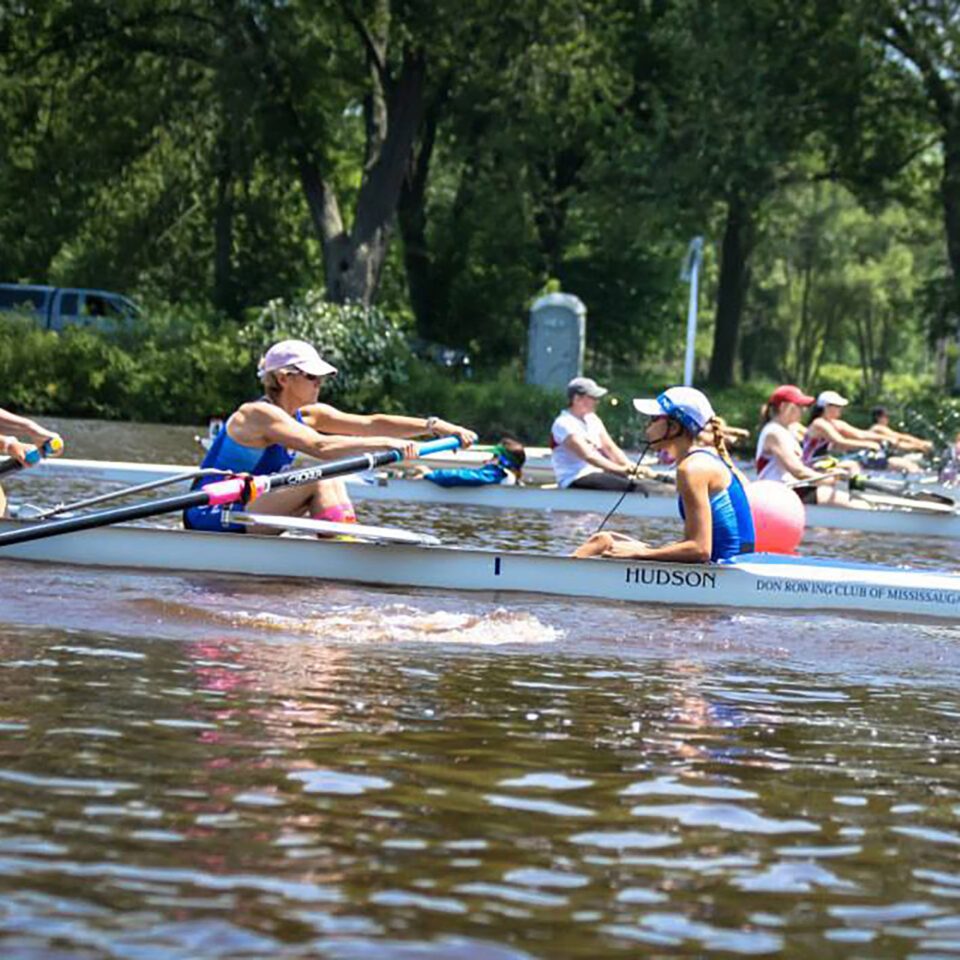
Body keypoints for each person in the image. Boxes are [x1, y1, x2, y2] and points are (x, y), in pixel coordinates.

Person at [183, 339, 476, 534]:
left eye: (321, 377)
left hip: (246, 507)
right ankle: (345, 553)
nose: (319, 383)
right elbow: (320, 445)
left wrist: (435, 425)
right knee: (322, 478)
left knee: (329, 478)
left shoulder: (307, 414)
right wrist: (389, 445)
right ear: (283, 378)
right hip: (210, 512)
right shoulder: (257, 414)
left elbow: (371, 423)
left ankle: (343, 543)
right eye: (312, 377)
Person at [574, 386, 754, 563]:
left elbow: (700, 550)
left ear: (673, 428)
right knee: (603, 540)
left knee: (607, 545)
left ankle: (562, 575)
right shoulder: (700, 460)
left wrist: (641, 553)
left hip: (725, 570)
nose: (648, 425)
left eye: (654, 419)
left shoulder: (692, 469)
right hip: (721, 565)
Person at [756, 385, 866, 508]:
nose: (803, 410)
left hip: (793, 488)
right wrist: (829, 478)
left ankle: (858, 497)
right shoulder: (774, 433)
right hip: (778, 494)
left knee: (856, 492)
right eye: (799, 406)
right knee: (859, 505)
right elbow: (799, 472)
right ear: (783, 407)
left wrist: (828, 473)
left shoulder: (787, 430)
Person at [550, 376, 656, 491]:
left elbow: (610, 448)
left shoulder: (592, 419)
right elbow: (589, 456)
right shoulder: (564, 423)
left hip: (597, 473)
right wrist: (622, 470)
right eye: (593, 398)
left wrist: (630, 466)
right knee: (637, 490)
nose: (597, 401)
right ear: (577, 399)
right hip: (574, 478)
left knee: (642, 486)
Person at [802, 390, 920, 474]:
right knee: (852, 465)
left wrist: (884, 438)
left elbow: (860, 434)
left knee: (854, 464)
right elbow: (840, 441)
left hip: (823, 461)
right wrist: (868, 445)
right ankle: (855, 493)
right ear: (827, 407)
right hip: (810, 464)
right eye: (838, 406)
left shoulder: (835, 423)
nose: (841, 409)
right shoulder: (819, 423)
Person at [422, 438, 525, 487]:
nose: (486, 461)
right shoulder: (511, 479)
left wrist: (429, 474)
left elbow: (457, 476)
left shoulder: (498, 474)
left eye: (494, 456)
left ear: (504, 462)